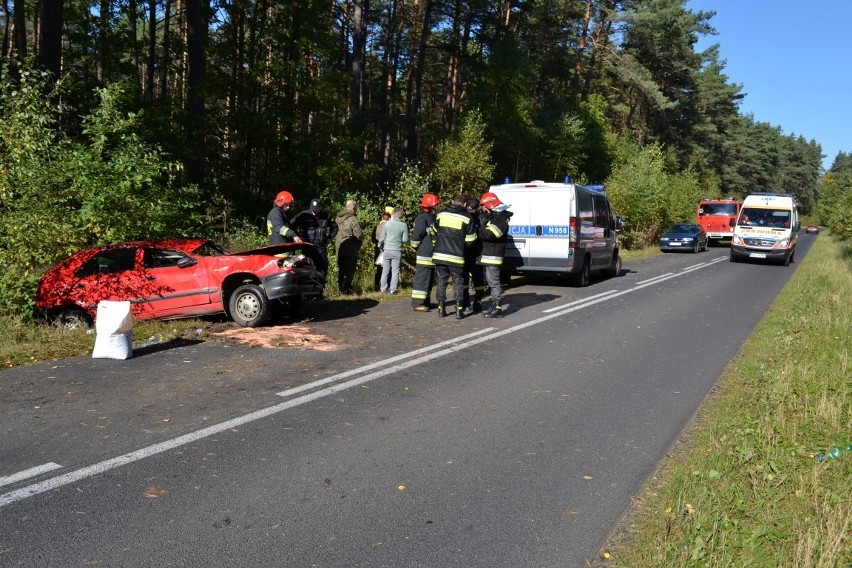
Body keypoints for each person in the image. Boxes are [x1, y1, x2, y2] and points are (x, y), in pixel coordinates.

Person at [432, 194, 478, 319]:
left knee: (441, 282)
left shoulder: (441, 214)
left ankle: (441, 310)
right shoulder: (467, 218)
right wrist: (462, 249)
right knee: (458, 283)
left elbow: (433, 231)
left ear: (453, 202)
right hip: (457, 257)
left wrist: (436, 244)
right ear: (464, 204)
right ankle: (458, 311)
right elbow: (471, 240)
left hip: (439, 254)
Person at [477, 192, 513, 318]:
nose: (484, 209)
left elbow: (490, 234)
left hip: (493, 255)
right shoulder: (496, 216)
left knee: (494, 282)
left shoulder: (501, 218)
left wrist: (481, 226)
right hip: (489, 254)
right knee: (491, 282)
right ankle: (493, 306)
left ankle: (497, 308)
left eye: (485, 206)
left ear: (490, 204)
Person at [409, 194, 439, 311]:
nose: (436, 208)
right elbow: (417, 235)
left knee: (429, 279)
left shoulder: (431, 217)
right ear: (427, 207)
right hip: (424, 253)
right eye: (434, 206)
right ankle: (417, 303)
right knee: (422, 278)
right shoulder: (422, 218)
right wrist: (414, 246)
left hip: (431, 253)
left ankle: (425, 301)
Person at [290, 198, 338, 269]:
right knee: (306, 268)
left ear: (320, 208)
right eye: (313, 210)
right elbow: (291, 225)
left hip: (321, 247)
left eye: (316, 210)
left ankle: (321, 280)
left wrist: (329, 238)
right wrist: (298, 236)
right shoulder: (303, 215)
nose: (314, 212)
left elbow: (335, 227)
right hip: (307, 247)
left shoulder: (326, 216)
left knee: (322, 268)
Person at [334, 200, 363, 294]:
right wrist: (358, 244)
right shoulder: (353, 219)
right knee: (350, 269)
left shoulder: (338, 218)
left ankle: (340, 289)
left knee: (341, 269)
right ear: (353, 208)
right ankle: (347, 289)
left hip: (339, 246)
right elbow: (358, 234)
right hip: (350, 248)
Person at [378, 208, 409, 295]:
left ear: (393, 214)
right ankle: (393, 289)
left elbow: (382, 237)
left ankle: (383, 289)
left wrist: (379, 245)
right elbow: (405, 239)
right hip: (397, 250)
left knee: (385, 270)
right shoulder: (403, 225)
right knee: (395, 270)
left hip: (387, 249)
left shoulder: (387, 224)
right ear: (401, 216)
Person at [462, 197, 485, 314]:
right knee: (479, 281)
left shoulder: (464, 217)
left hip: (464, 253)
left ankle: (465, 303)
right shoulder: (481, 218)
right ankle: (477, 303)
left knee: (464, 280)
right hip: (477, 255)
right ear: (478, 207)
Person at [372, 207, 393, 291]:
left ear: (382, 217)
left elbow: (373, 239)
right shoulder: (390, 227)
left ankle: (377, 285)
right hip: (389, 249)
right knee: (389, 268)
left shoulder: (376, 227)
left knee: (379, 269)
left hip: (378, 250)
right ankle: (387, 286)